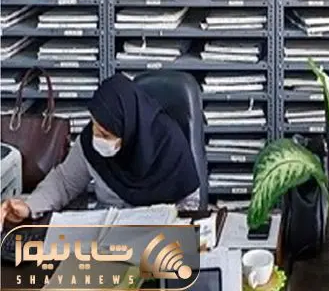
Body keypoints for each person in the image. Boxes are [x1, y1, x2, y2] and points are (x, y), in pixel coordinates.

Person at [1, 73, 200, 225]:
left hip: (157, 234)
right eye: (94, 126)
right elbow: (64, 182)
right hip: (106, 231)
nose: (96, 137)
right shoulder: (90, 140)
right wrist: (29, 205)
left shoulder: (169, 142)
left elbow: (189, 203)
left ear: (129, 131)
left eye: (105, 134)